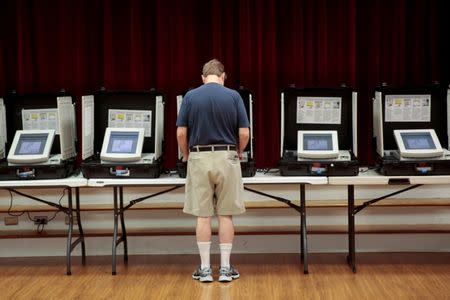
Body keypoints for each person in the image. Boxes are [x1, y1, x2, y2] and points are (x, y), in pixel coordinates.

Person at [176, 59, 250, 282]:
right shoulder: (234, 96)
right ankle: (226, 269)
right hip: (227, 156)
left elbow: (181, 133)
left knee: (203, 216)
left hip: (199, 156)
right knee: (225, 214)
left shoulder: (190, 96)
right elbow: (245, 133)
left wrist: (187, 155)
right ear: (223, 76)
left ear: (202, 77)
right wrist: (237, 151)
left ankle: (205, 269)